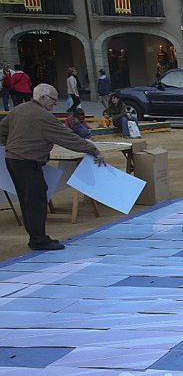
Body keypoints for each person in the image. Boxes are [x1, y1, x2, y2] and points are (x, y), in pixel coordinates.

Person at [0, 83, 106, 251]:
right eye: (53, 100)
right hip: (27, 161)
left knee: (27, 199)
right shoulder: (43, 116)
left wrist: (10, 145)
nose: (54, 104)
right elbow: (66, 137)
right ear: (43, 97)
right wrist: (92, 149)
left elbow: (3, 129)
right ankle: (38, 240)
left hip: (13, 159)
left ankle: (36, 237)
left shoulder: (19, 109)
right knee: (36, 200)